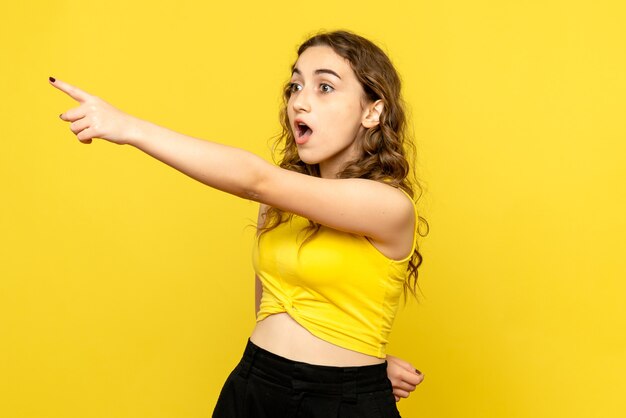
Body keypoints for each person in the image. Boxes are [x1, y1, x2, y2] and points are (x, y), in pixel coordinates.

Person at [50, 30, 427, 417]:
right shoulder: (280, 208)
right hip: (253, 384)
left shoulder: (388, 205)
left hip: (342, 403)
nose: (300, 101)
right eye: (294, 86)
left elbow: (254, 180)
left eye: (325, 87)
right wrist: (370, 362)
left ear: (372, 112)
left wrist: (128, 127)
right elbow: (273, 309)